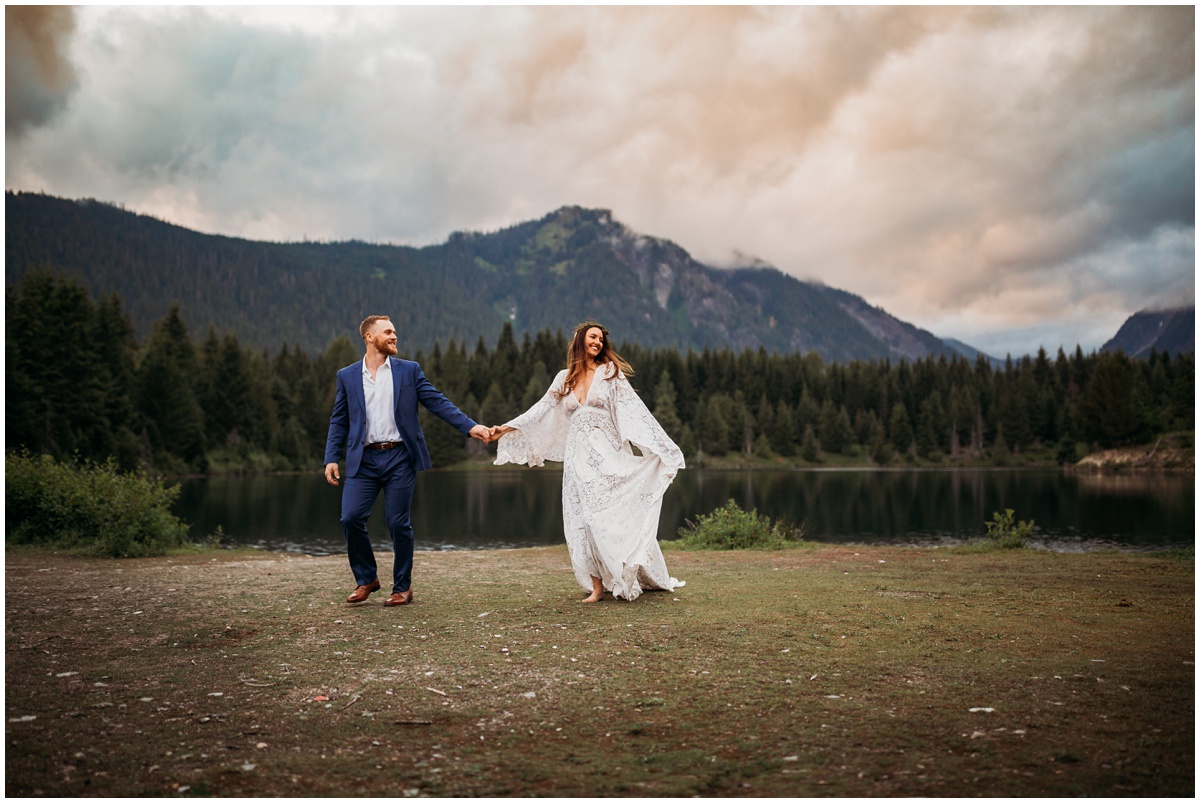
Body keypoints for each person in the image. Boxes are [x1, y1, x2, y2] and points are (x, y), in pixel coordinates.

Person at [490, 321, 685, 602]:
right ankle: (596, 587)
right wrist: (505, 428)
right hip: (578, 457)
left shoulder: (610, 373)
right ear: (580, 339)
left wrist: (659, 446)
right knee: (583, 518)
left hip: (609, 454)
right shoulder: (564, 378)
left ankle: (629, 571)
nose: (598, 343)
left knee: (607, 515)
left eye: (602, 340)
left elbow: (634, 410)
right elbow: (540, 410)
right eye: (593, 337)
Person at [324, 315, 490, 606]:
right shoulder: (347, 376)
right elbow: (339, 420)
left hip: (399, 457)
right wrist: (331, 458)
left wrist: (471, 427)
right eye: (387, 332)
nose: (394, 336)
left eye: (395, 332)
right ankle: (367, 579)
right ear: (369, 337)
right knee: (350, 518)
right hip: (362, 460)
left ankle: (402, 587)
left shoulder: (409, 371)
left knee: (397, 523)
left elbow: (437, 402)